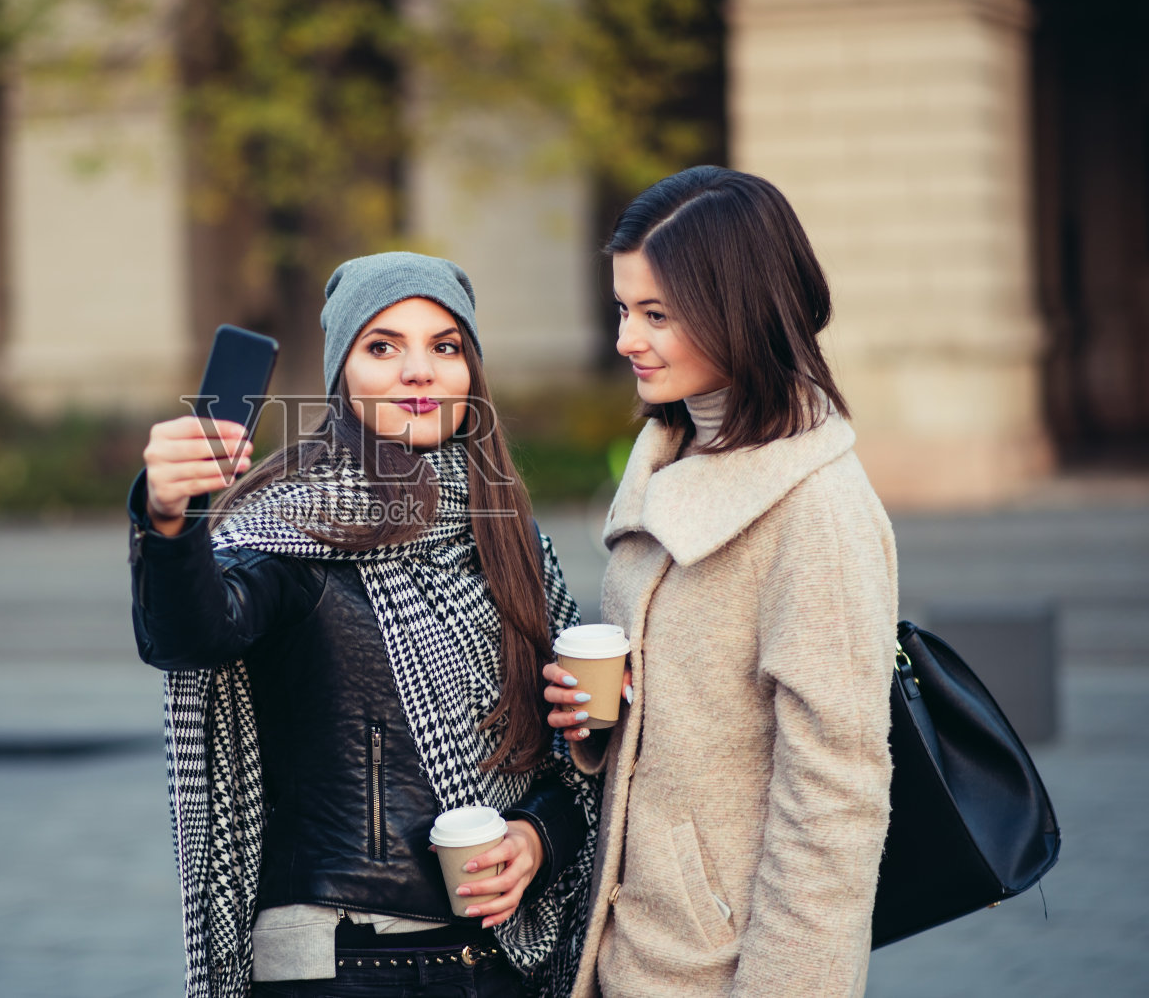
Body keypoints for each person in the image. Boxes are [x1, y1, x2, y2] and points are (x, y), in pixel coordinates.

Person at [129, 252, 600, 998]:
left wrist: (537, 838)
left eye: (444, 346)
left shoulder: (513, 542)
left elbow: (567, 759)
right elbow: (193, 633)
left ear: (471, 374)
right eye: (383, 346)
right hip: (347, 960)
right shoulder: (290, 528)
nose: (419, 371)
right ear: (341, 374)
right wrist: (167, 518)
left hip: (500, 963)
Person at [542, 166, 897, 997]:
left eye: (656, 314)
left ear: (741, 306)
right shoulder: (669, 458)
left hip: (719, 974)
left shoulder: (818, 509)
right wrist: (602, 719)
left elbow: (836, 802)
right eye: (624, 308)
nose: (627, 337)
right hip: (623, 948)